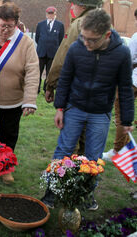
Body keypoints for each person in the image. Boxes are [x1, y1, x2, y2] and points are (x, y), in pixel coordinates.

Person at [41, 9, 134, 210]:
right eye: (83, 37)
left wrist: (127, 120)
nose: (86, 43)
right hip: (74, 107)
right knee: (64, 150)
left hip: (100, 113)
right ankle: (51, 192)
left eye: (91, 40)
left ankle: (86, 195)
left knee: (93, 157)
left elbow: (125, 88)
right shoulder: (76, 49)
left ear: (107, 35)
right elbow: (65, 79)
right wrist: (60, 107)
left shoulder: (121, 53)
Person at [0, 2, 39, 184]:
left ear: (16, 24)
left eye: (10, 27)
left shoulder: (26, 43)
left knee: (8, 135)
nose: (5, 30)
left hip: (13, 99)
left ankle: (4, 168)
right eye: (2, 26)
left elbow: (33, 71)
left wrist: (29, 100)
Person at [44, 0, 103, 155]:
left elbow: (63, 58)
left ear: (82, 6)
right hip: (99, 96)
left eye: (74, 4)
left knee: (70, 143)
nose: (72, 7)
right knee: (88, 144)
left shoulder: (79, 24)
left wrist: (50, 84)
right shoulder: (106, 24)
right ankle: (85, 175)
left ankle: (69, 174)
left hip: (76, 92)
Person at [102, 9, 137, 161]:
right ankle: (126, 147)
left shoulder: (136, 37)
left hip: (133, 80)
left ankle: (118, 150)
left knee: (122, 114)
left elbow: (128, 57)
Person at [35, 6, 64, 94]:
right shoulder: (40, 24)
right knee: (37, 72)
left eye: (52, 14)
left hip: (52, 53)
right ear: (46, 14)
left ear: (55, 14)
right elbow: (37, 38)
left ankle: (46, 89)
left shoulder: (60, 25)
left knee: (49, 73)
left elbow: (61, 39)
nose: (50, 15)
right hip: (41, 52)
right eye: (49, 14)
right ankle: (36, 89)